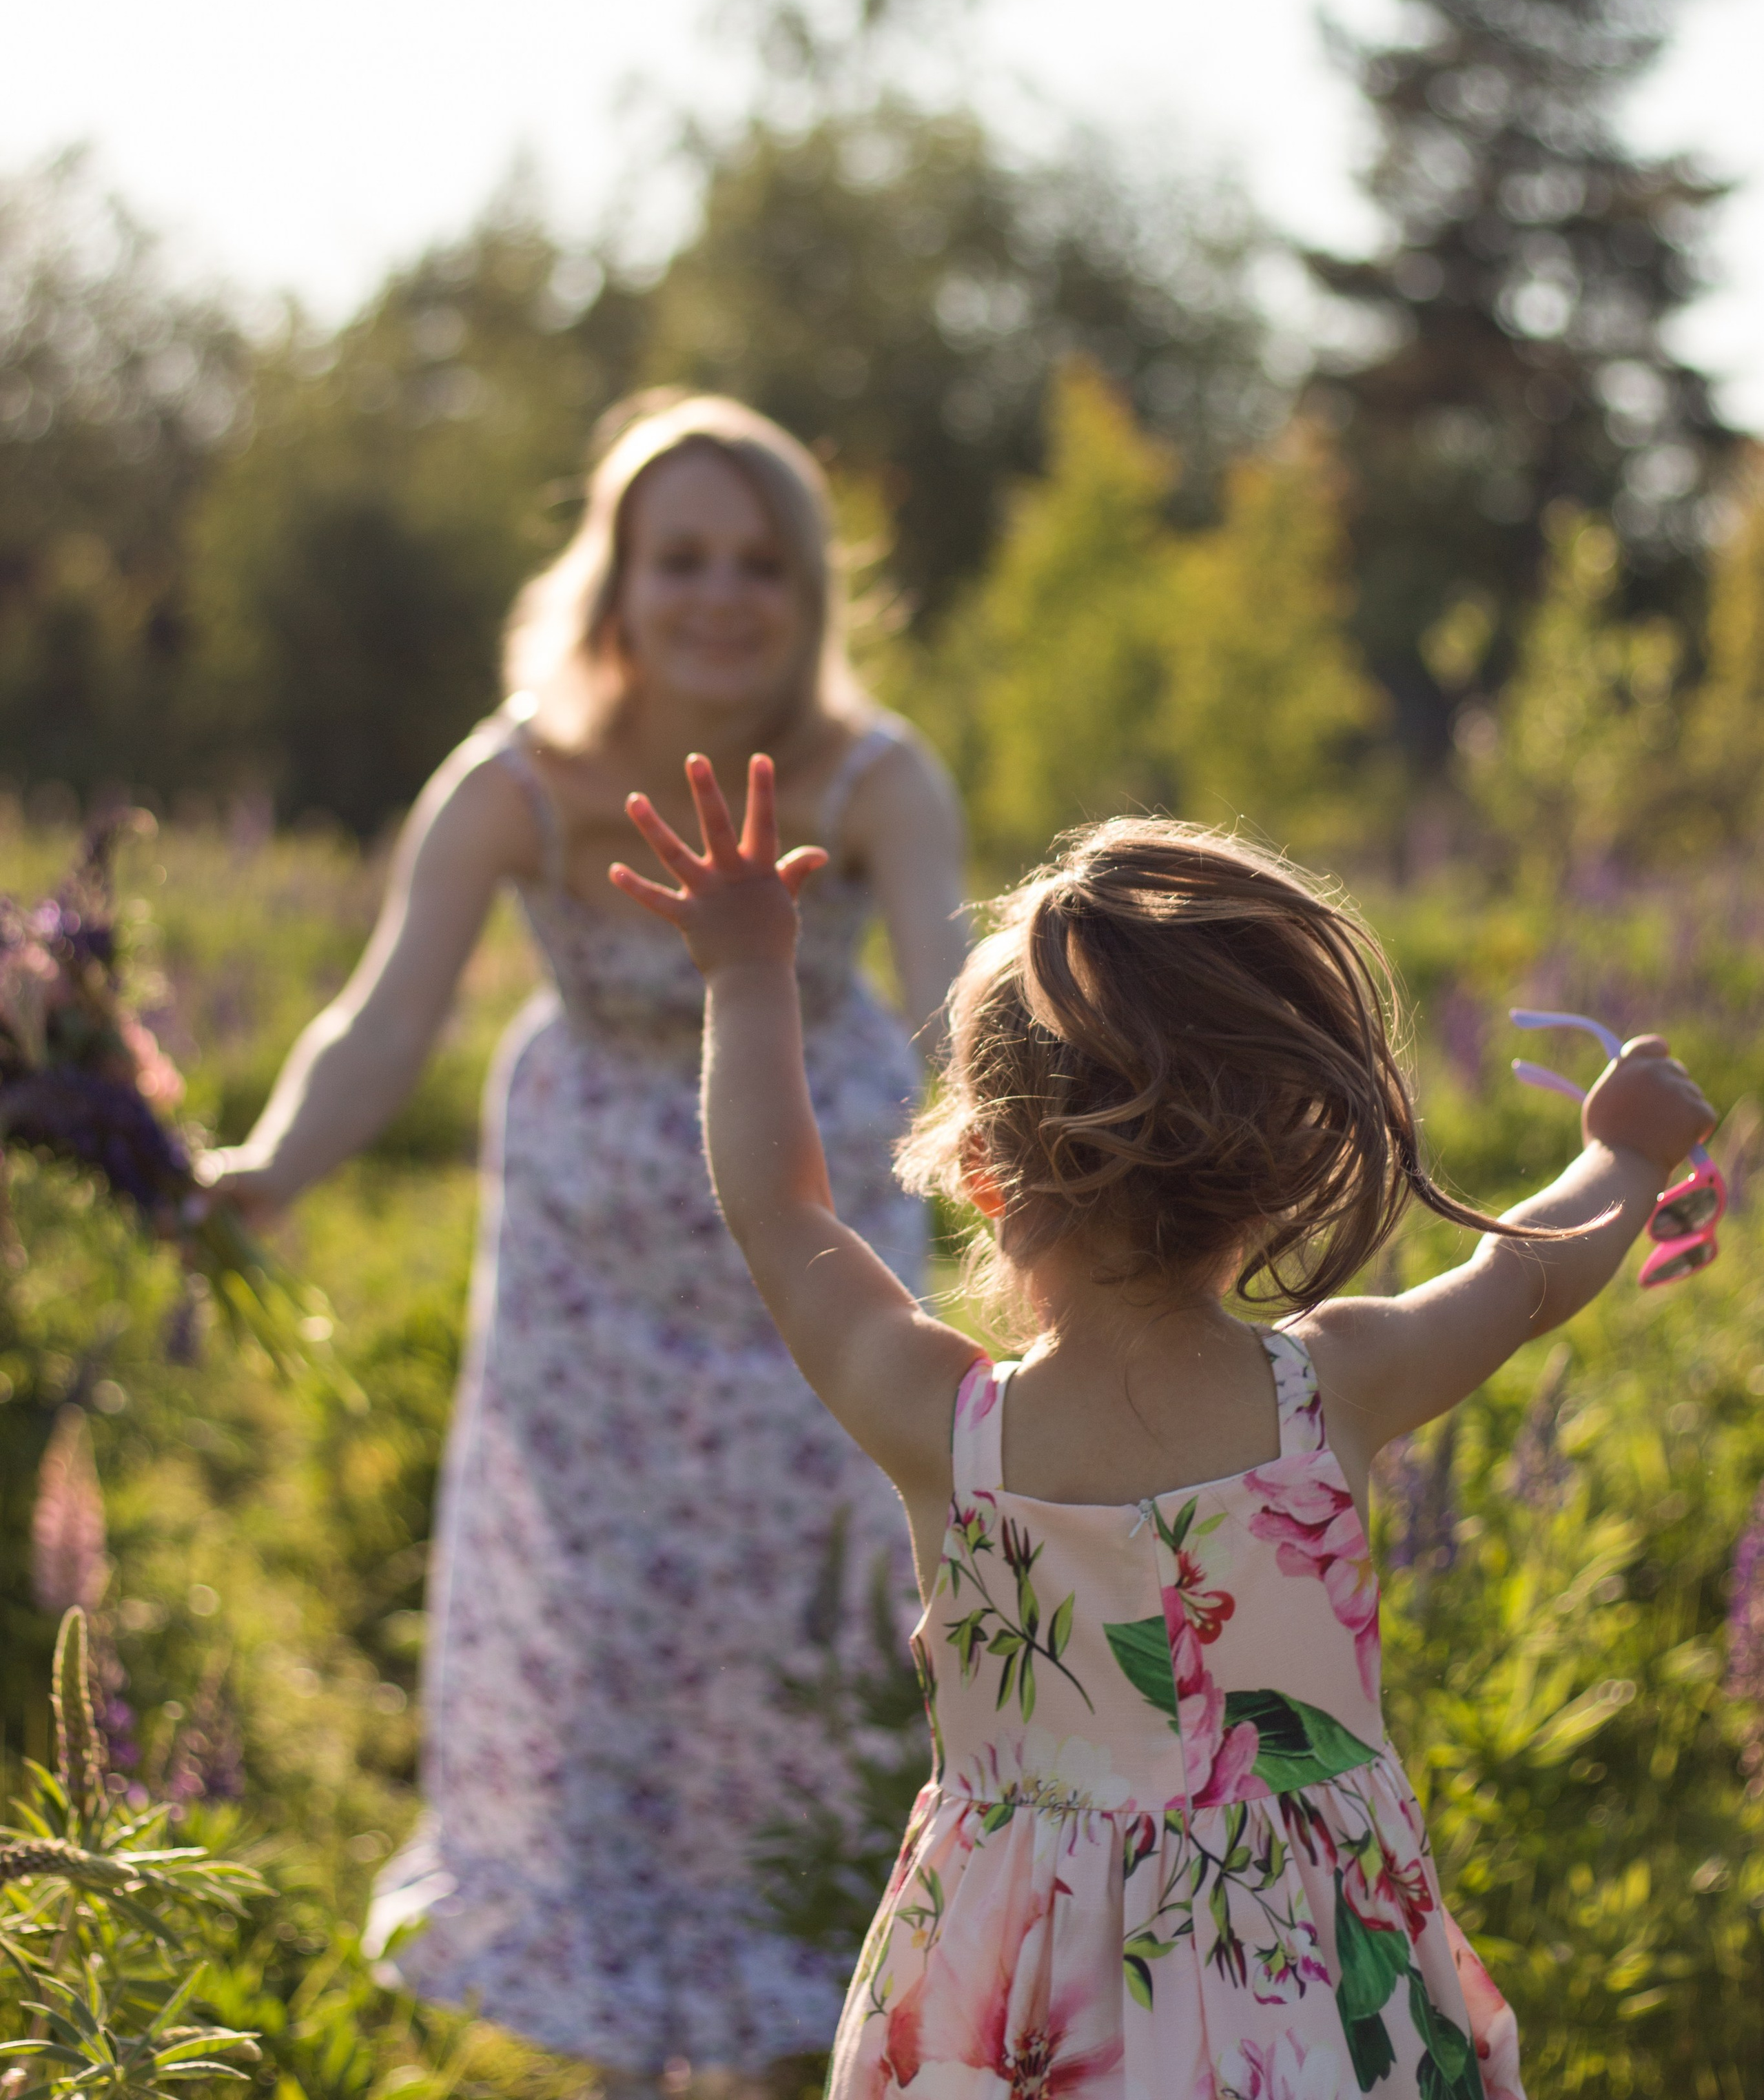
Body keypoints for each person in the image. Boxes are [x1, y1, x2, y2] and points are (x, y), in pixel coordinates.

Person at [612, 756, 1717, 2100]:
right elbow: (1528, 1272)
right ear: (1265, 1173)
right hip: (1302, 2001)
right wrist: (1623, 1150)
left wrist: (744, 968)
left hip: (1021, 2006)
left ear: (978, 1168)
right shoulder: (1332, 1388)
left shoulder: (946, 1429)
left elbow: (779, 1215)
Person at [198, 394, 968, 2089]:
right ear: (610, 579)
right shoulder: (517, 776)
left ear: (809, 588)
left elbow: (956, 1014)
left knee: (808, 1633)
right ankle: (629, 2047)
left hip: (811, 1271)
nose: (718, 595)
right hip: (585, 1285)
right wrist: (266, 1163)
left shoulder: (873, 772)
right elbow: (380, 1024)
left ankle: (804, 2036)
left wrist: (1062, 1192)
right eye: (675, 556)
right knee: (603, 1640)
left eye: (758, 561)